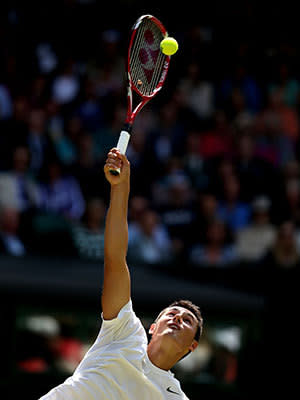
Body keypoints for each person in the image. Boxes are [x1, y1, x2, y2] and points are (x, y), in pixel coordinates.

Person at [39, 148, 203, 400]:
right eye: (171, 313)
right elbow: (115, 259)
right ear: (152, 327)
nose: (178, 319)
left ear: (192, 346)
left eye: (187, 320)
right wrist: (120, 186)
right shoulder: (124, 330)